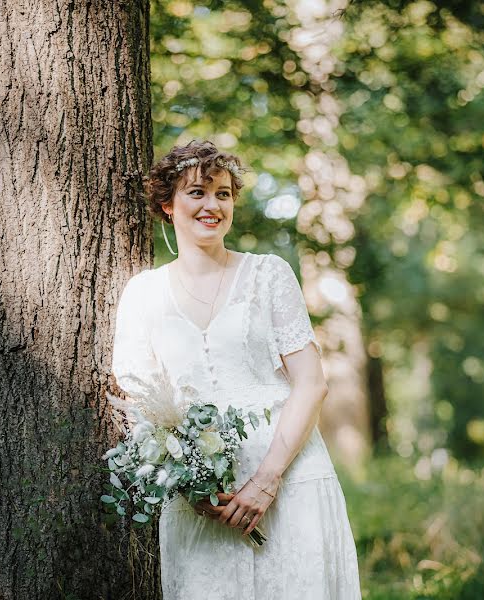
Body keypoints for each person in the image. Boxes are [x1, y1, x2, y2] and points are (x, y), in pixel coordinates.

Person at [110, 139, 362, 598]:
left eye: (223, 194)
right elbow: (137, 399)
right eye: (197, 192)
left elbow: (311, 383)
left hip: (291, 480)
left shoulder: (269, 275)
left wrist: (268, 479)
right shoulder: (143, 294)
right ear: (167, 204)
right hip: (204, 501)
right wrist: (186, 482)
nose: (212, 205)